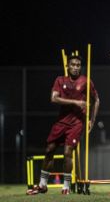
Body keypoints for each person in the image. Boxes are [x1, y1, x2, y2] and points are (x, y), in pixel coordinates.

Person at [26, 55, 100, 195]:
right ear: (68, 66)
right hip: (61, 121)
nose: (76, 67)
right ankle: (42, 185)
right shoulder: (60, 80)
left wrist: (92, 120)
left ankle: (66, 187)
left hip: (77, 122)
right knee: (49, 150)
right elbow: (53, 98)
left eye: (78, 65)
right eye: (73, 64)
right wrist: (76, 102)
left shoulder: (86, 81)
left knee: (67, 152)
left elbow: (96, 100)